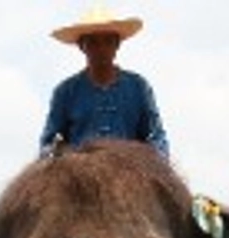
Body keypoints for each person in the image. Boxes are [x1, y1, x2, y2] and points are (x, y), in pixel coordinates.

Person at [40, 6, 169, 157]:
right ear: (82, 47)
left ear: (117, 45)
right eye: (93, 42)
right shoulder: (65, 92)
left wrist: (159, 162)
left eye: (108, 42)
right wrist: (56, 156)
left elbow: (156, 135)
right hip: (78, 173)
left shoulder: (138, 87)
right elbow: (48, 142)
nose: (101, 49)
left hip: (131, 170)